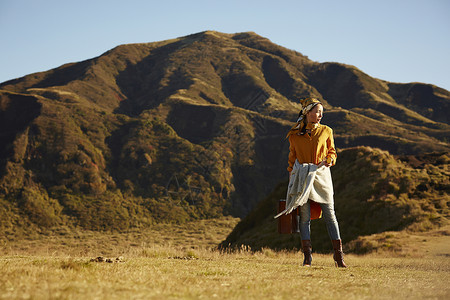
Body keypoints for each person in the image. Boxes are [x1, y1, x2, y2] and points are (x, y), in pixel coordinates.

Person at [286, 97, 347, 268]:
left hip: (322, 176)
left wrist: (329, 159)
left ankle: (338, 257)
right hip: (302, 177)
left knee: (330, 216)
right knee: (304, 219)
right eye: (317, 112)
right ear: (307, 112)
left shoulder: (327, 130)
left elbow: (332, 151)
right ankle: (307, 258)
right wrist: (291, 176)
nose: (320, 115)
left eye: (321, 112)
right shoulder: (294, 134)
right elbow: (292, 158)